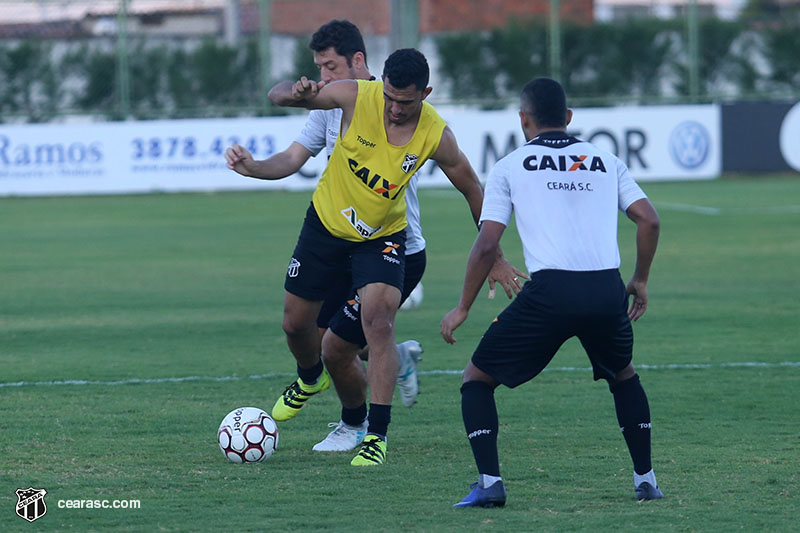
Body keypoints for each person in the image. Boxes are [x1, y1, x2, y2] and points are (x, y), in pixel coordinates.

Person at [268, 47, 525, 466]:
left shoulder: (435, 134)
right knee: (301, 328)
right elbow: (278, 96)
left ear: (425, 93)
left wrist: (494, 253)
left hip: (384, 238)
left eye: (405, 101)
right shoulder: (355, 95)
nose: (394, 109)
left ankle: (375, 435)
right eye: (389, 97)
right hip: (328, 229)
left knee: (378, 325)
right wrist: (296, 90)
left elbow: (473, 189)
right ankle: (314, 380)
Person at [441, 77, 663, 506]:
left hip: (550, 292)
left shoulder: (509, 166)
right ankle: (646, 480)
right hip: (605, 289)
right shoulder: (605, 160)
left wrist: (463, 307)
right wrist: (640, 279)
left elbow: (487, 243)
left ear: (523, 120)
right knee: (624, 376)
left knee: (476, 380)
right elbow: (649, 220)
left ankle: (490, 485)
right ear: (569, 118)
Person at [225, 20, 428, 422]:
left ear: (357, 61)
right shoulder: (330, 106)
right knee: (312, 332)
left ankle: (356, 425)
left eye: (330, 67)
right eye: (318, 68)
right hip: (340, 240)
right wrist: (254, 168)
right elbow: (291, 156)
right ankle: (394, 360)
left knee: (336, 345)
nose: (323, 77)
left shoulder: (396, 107)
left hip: (389, 245)